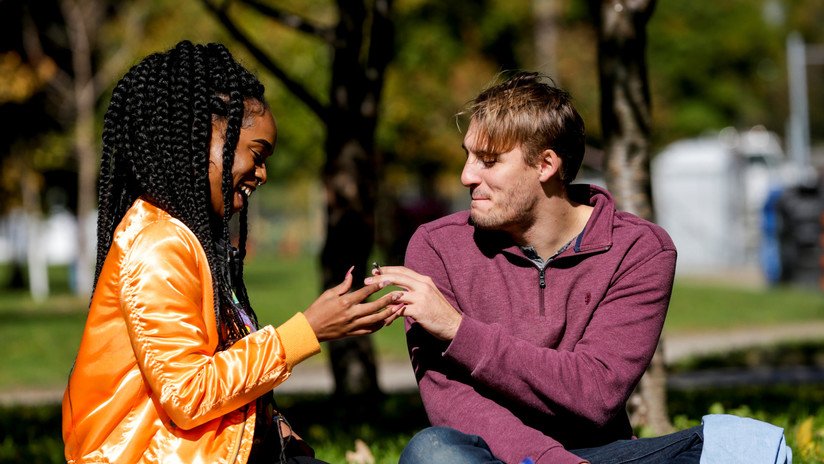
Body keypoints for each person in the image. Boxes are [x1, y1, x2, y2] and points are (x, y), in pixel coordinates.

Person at [62, 40, 400, 464]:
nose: (262, 173)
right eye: (256, 155)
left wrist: (268, 425)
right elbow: (189, 393)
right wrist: (305, 332)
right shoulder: (158, 243)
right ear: (201, 135)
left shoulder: (190, 239)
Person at [367, 72, 704, 463]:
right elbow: (453, 403)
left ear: (545, 164)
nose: (466, 176)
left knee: (738, 446)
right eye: (468, 156)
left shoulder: (639, 249)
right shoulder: (437, 247)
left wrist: (459, 331)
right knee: (433, 451)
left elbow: (595, 395)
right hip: (488, 454)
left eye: (488, 161)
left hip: (598, 454)